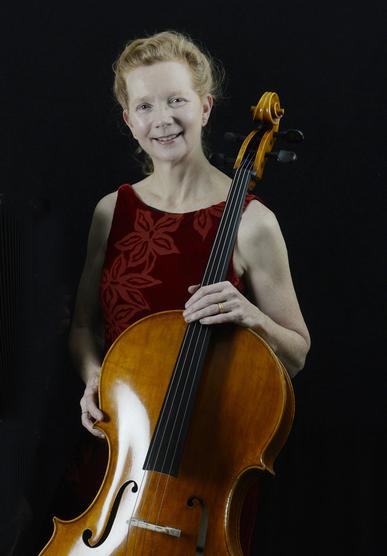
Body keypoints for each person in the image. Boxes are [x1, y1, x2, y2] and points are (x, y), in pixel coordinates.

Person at [68, 29, 310, 553]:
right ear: (129, 120)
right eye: (146, 105)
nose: (164, 118)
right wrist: (93, 379)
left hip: (207, 466)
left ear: (203, 107)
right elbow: (85, 324)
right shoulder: (112, 210)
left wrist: (252, 317)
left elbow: (296, 352)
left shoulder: (253, 222)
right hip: (118, 452)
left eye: (177, 100)